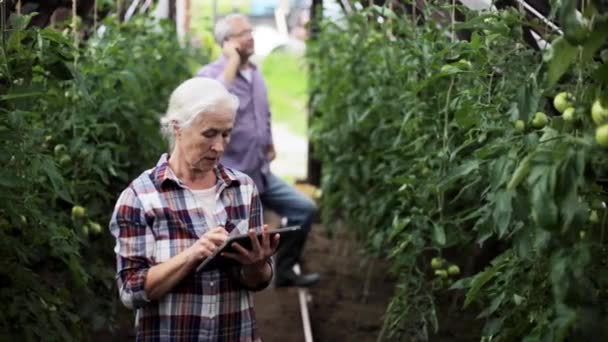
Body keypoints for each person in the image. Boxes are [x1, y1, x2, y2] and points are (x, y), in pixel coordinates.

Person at [109, 77, 279, 341]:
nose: (220, 146)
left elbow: (258, 281)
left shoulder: (243, 189)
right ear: (178, 128)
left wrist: (256, 265)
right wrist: (193, 254)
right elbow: (131, 291)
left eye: (226, 133)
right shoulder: (141, 198)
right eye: (209, 134)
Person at [197, 13, 320, 288]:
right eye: (242, 33)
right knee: (234, 241)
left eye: (250, 31)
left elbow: (263, 113)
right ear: (226, 42)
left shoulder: (256, 74)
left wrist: (270, 141)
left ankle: (284, 270)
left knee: (304, 210)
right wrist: (231, 62)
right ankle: (234, 283)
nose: (250, 36)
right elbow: (211, 105)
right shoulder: (209, 76)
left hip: (261, 172)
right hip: (229, 181)